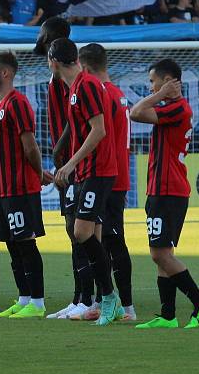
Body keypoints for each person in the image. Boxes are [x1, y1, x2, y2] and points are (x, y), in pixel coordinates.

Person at [130, 58, 199, 329]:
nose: (150, 87)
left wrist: (159, 95)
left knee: (160, 255)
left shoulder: (177, 108)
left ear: (168, 82)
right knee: (162, 253)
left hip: (167, 190)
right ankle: (168, 315)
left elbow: (134, 113)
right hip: (164, 188)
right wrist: (161, 95)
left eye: (153, 81)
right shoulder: (174, 108)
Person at [49, 37, 122, 326]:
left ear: (53, 62)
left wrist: (70, 163)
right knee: (90, 234)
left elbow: (99, 130)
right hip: (88, 171)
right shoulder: (77, 88)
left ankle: (109, 297)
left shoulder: (87, 86)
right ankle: (105, 300)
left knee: (81, 233)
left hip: (99, 170)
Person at [33, 17, 95, 320]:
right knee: (74, 231)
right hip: (69, 161)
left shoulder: (69, 76)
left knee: (80, 229)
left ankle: (90, 297)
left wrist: (60, 151)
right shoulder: (60, 74)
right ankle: (81, 296)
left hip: (75, 161)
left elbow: (78, 118)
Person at [0, 53, 52, 319]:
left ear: (6, 73)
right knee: (12, 243)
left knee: (25, 241)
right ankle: (24, 298)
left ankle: (38, 301)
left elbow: (29, 145)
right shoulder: (0, 106)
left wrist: (38, 172)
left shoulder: (17, 102)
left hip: (20, 187)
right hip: (4, 188)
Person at [79, 43, 136, 321]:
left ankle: (126, 307)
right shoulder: (117, 93)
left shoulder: (102, 94)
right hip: (115, 174)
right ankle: (107, 302)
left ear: (85, 67)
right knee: (104, 240)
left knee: (113, 241)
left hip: (109, 177)